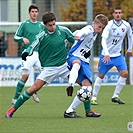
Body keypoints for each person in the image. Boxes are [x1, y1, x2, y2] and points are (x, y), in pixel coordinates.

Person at [5, 11, 76, 118]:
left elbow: (75, 41)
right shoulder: (42, 35)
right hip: (49, 69)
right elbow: (33, 45)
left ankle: (87, 110)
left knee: (85, 82)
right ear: (45, 25)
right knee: (33, 88)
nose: (53, 27)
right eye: (50, 25)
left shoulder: (64, 30)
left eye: (54, 24)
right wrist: (26, 52)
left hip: (64, 66)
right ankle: (12, 109)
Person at [64, 14, 108, 118]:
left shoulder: (95, 33)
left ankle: (71, 111)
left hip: (84, 60)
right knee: (76, 63)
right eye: (99, 27)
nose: (100, 30)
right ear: (94, 23)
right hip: (74, 56)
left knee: (87, 88)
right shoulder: (89, 28)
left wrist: (85, 51)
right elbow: (83, 31)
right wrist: (79, 35)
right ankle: (71, 85)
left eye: (103, 28)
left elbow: (77, 35)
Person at [91, 7, 133, 105]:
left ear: (122, 14)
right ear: (113, 14)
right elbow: (103, 40)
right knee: (101, 75)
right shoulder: (109, 25)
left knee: (125, 73)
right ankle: (94, 97)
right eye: (116, 13)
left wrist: (130, 49)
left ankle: (115, 96)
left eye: (120, 12)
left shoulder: (126, 25)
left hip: (118, 55)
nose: (118, 14)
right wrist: (106, 53)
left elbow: (130, 36)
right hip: (106, 56)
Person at [12, 4, 44, 104]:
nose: (34, 14)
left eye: (36, 12)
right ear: (29, 13)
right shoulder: (24, 24)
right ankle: (15, 98)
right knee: (25, 76)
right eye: (32, 12)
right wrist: (22, 39)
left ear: (38, 13)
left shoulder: (41, 25)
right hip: (27, 54)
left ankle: (34, 91)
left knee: (44, 75)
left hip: (39, 54)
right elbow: (15, 37)